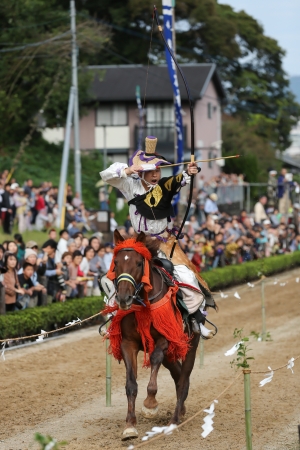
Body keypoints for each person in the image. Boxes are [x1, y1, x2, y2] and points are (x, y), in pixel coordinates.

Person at [100, 136, 216, 338]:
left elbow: (177, 181)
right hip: (139, 243)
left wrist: (188, 172)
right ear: (141, 172)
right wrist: (129, 170)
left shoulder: (163, 186)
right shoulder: (130, 185)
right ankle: (113, 318)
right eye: (151, 171)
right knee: (113, 277)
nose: (155, 175)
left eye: (158, 170)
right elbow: (106, 176)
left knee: (186, 275)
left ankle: (196, 319)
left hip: (163, 242)